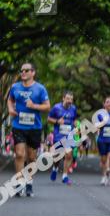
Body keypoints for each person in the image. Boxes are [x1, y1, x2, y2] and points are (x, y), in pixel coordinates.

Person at [5, 62, 51, 197]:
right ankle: (19, 183)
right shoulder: (15, 87)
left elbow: (47, 107)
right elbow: (10, 100)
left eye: (26, 70)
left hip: (34, 127)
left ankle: (29, 182)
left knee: (31, 157)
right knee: (19, 154)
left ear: (33, 72)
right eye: (21, 70)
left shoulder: (40, 89)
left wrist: (34, 105)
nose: (23, 73)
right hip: (18, 125)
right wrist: (10, 109)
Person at [47, 91, 77, 184]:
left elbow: (74, 119)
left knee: (69, 155)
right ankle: (55, 168)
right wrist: (57, 121)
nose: (70, 101)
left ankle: (65, 175)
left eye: (71, 99)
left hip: (69, 136)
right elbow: (49, 119)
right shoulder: (56, 108)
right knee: (57, 156)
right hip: (58, 135)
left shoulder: (74, 108)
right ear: (63, 98)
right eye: (68, 98)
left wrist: (75, 123)